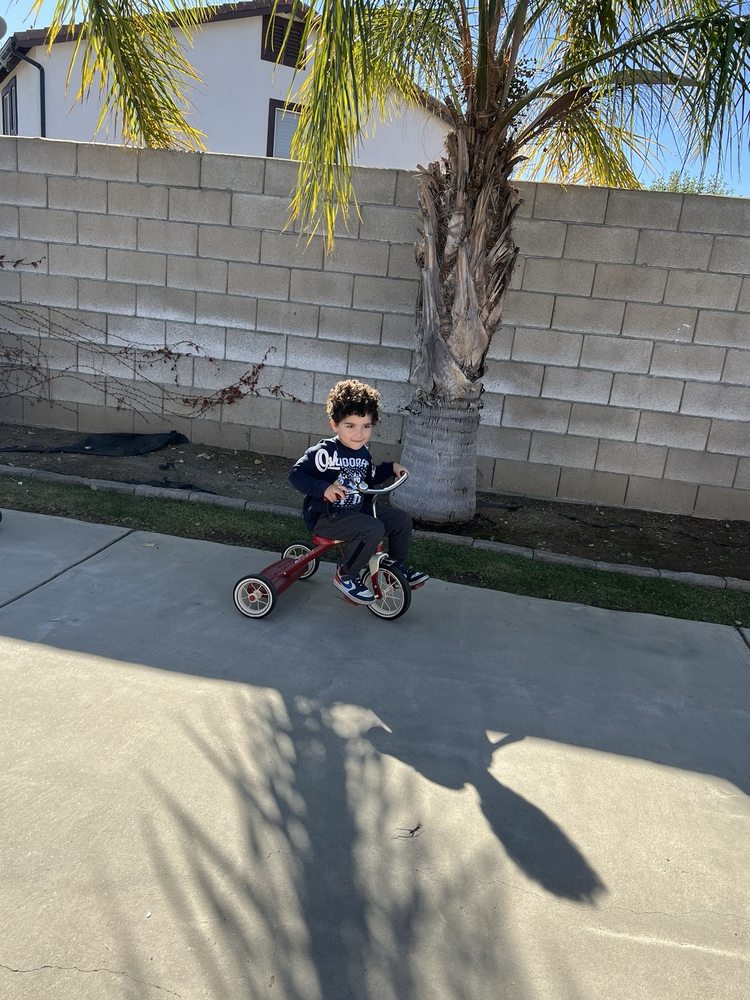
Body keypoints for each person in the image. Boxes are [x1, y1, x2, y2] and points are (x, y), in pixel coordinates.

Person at [289, 379, 429, 604]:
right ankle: (346, 574)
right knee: (372, 528)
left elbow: (369, 478)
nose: (359, 433)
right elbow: (296, 475)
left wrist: (391, 468)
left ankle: (396, 567)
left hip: (356, 511)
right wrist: (324, 488)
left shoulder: (363, 452)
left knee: (401, 519)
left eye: (366, 426)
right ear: (335, 425)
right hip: (327, 517)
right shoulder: (325, 451)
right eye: (350, 426)